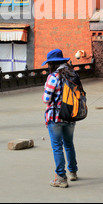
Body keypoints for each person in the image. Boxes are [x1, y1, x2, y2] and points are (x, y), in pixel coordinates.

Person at [42, 49, 78, 188]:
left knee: (57, 146)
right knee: (69, 144)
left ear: (52, 63)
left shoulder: (53, 77)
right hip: (71, 115)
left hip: (55, 117)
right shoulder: (73, 74)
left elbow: (46, 99)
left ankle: (61, 178)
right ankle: (73, 172)